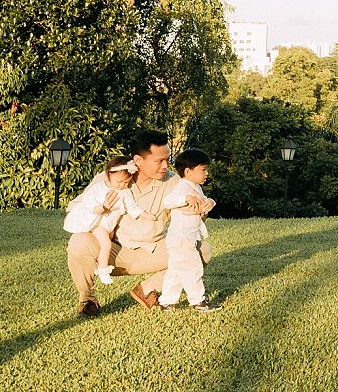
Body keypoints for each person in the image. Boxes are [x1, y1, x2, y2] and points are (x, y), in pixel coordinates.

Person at [66, 129, 213, 316]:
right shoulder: (111, 178)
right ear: (138, 161)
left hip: (153, 250)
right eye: (159, 161)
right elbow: (73, 209)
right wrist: (99, 208)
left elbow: (196, 212)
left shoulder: (175, 182)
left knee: (202, 250)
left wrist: (200, 210)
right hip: (111, 251)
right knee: (78, 242)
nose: (165, 166)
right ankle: (88, 300)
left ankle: (146, 289)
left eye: (167, 159)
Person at [62, 154, 145, 286]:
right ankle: (103, 270)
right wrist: (97, 208)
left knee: (104, 243)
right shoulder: (99, 187)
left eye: (126, 183)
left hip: (109, 227)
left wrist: (143, 214)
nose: (122, 185)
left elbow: (132, 206)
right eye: (119, 182)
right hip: (100, 225)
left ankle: (96, 262)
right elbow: (88, 199)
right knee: (106, 245)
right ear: (108, 175)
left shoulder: (125, 192)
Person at [160, 148, 222, 312]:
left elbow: (204, 203)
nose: (206, 173)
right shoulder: (182, 187)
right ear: (188, 171)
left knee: (176, 271)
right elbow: (168, 201)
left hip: (186, 238)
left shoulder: (195, 186)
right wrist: (185, 198)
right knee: (192, 268)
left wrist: (210, 202)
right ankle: (198, 301)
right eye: (203, 169)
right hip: (181, 238)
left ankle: (166, 302)